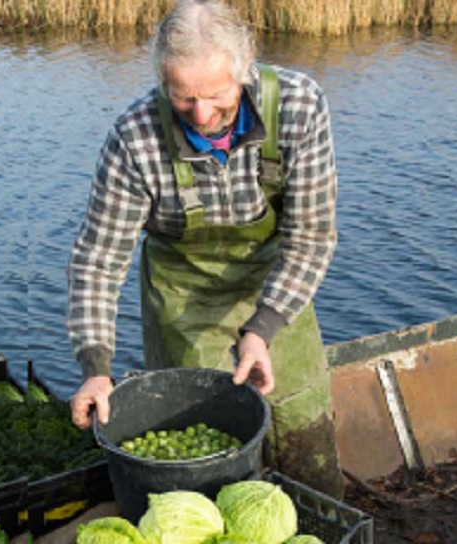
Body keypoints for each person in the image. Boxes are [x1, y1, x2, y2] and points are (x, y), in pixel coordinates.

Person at [66, 0, 343, 497]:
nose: (202, 114)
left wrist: (262, 330)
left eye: (217, 96)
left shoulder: (301, 105)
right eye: (183, 97)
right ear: (161, 81)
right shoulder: (134, 138)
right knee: (203, 461)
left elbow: (311, 238)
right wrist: (95, 368)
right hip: (182, 303)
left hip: (276, 292)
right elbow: (98, 261)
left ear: (245, 68)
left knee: (304, 438)